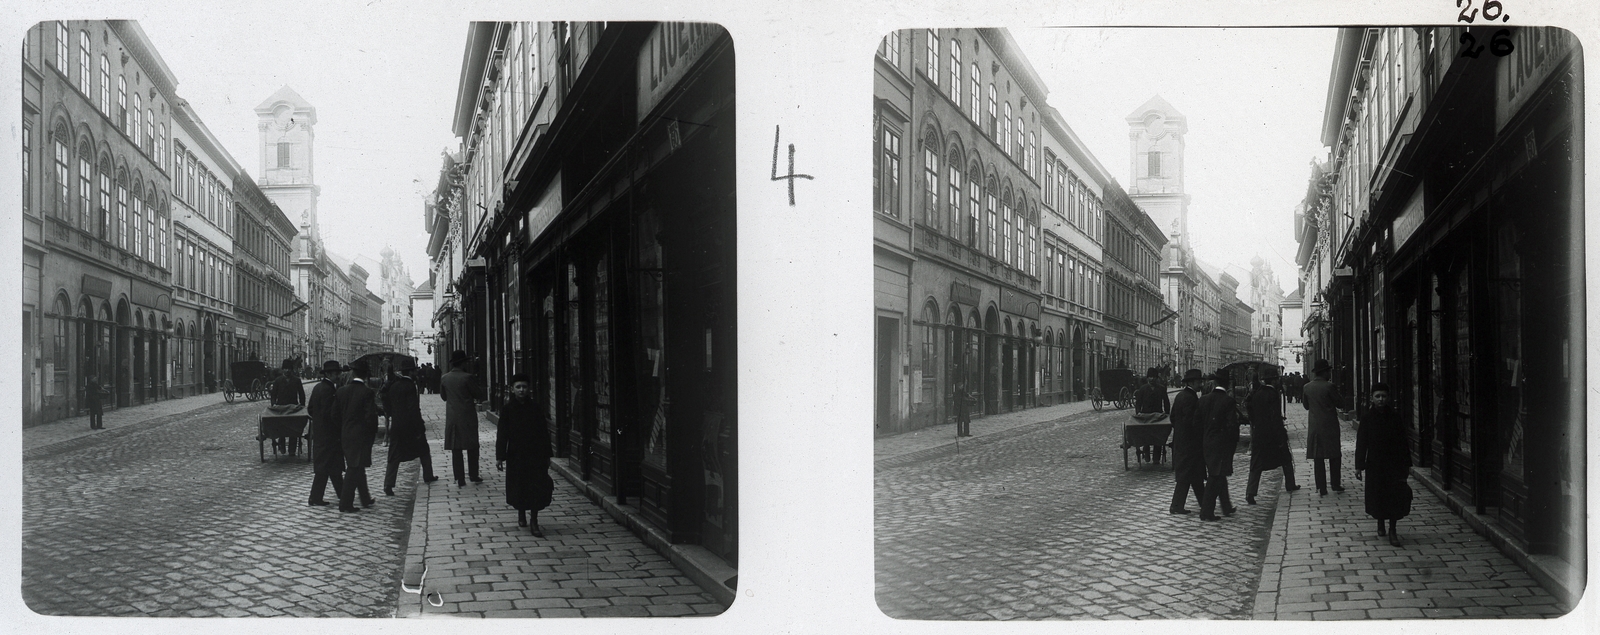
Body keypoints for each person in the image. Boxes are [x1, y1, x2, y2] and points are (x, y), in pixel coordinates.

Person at [496, 374, 555, 536]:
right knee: (520, 485)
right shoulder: (508, 409)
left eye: (524, 387)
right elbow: (502, 434)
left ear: (529, 389)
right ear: (512, 389)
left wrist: (547, 455)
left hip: (535, 455)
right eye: (518, 387)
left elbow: (544, 433)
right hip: (516, 455)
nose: (521, 390)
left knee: (536, 486)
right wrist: (500, 457)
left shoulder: (535, 408)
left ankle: (534, 520)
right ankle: (521, 511)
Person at [1355, 382, 1412, 547]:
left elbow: (1403, 442)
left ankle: (1393, 530)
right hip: (1375, 465)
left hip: (1393, 464)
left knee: (1394, 496)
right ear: (1372, 398)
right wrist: (1359, 465)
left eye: (1384, 396)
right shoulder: (1367, 418)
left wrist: (1406, 464)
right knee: (1378, 495)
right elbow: (1362, 443)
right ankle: (1380, 521)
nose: (1381, 399)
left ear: (1388, 397)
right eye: (1377, 396)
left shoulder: (1395, 417)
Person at [382, 360, 438, 495]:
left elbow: (388, 406)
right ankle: (428, 475)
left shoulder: (394, 386)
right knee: (424, 449)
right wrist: (419, 426)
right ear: (411, 372)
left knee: (394, 455)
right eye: (414, 371)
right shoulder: (410, 386)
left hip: (396, 425)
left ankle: (388, 484)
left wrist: (393, 415)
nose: (416, 373)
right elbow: (413, 408)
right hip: (410, 426)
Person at [1245, 369, 1300, 504]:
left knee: (1256, 464)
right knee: (1286, 459)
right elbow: (1275, 416)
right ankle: (1290, 484)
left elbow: (1250, 413)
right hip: (1273, 435)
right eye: (1277, 379)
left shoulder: (1256, 394)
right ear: (1274, 380)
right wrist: (1280, 435)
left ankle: (1250, 493)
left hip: (1259, 434)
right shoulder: (1273, 394)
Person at [335, 360, 380, 513]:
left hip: (346, 434)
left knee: (357, 466)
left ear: (353, 373)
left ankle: (365, 498)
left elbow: (334, 415)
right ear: (366, 375)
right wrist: (371, 437)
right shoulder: (367, 392)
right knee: (354, 468)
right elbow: (370, 418)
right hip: (361, 436)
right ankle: (345, 503)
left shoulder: (341, 391)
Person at [440, 350, 487, 487]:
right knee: (472, 446)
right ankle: (473, 475)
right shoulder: (468, 377)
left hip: (453, 417)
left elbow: (443, 397)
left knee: (456, 447)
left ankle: (459, 478)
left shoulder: (444, 378)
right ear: (463, 363)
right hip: (467, 416)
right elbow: (478, 393)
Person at [1199, 370, 1240, 521]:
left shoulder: (1203, 399)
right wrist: (1233, 444)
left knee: (1219, 474)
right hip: (1222, 444)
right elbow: (1232, 427)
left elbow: (1197, 423)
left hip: (1207, 442)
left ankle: (1226, 506)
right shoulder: (1228, 401)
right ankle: (1206, 512)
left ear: (1215, 383)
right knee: (1215, 476)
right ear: (1228, 384)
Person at [1302, 359, 1346, 496]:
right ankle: (1335, 484)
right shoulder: (1329, 386)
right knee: (1334, 455)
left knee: (1318, 457)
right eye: (1328, 371)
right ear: (1325, 372)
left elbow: (1306, 406)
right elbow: (1340, 403)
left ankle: (1321, 487)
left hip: (1315, 426)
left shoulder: (1307, 387)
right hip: (1330, 426)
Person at [306, 361, 346, 507]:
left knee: (331, 468)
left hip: (320, 433)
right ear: (329, 374)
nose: (339, 376)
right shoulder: (329, 390)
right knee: (326, 468)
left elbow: (310, 409)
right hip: (329, 435)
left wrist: (318, 423)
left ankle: (342, 496)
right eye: (336, 374)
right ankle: (316, 498)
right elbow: (331, 414)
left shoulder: (318, 387)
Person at [1167, 369, 1206, 515]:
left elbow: (1172, 418)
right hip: (1190, 444)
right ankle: (1176, 506)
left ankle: (1205, 504)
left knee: (1194, 476)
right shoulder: (1190, 398)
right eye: (1198, 382)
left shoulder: (1180, 396)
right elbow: (1192, 422)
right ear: (1191, 383)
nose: (1200, 384)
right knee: (1186, 477)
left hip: (1181, 441)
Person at [1133, 368, 1171, 463]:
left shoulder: (1161, 388)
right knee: (1146, 435)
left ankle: (1156, 458)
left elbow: (1166, 402)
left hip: (1158, 416)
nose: (1152, 379)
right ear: (1147, 378)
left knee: (1158, 436)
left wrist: (1166, 414)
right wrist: (1138, 413)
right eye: (1150, 377)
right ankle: (1146, 452)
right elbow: (1138, 403)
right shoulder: (1143, 389)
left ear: (1156, 378)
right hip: (1145, 416)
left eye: (1154, 377)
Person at [269, 360, 307, 454]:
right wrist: (274, 404)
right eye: (285, 369)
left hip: (293, 408)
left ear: (292, 369)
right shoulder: (278, 381)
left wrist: (302, 405)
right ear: (283, 370)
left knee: (293, 428)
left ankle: (292, 449)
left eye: (289, 369)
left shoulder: (296, 380)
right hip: (281, 407)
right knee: (281, 427)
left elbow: (301, 394)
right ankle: (281, 444)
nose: (287, 371)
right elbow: (273, 395)